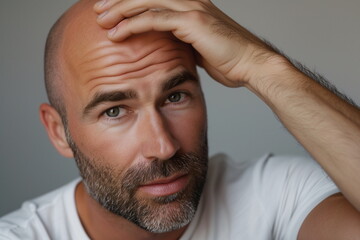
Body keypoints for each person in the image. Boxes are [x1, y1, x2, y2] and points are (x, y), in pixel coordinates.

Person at [1, 0, 360, 239]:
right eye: (114, 110)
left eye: (175, 96)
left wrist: (260, 65)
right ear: (58, 131)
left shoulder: (280, 196)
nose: (164, 146)